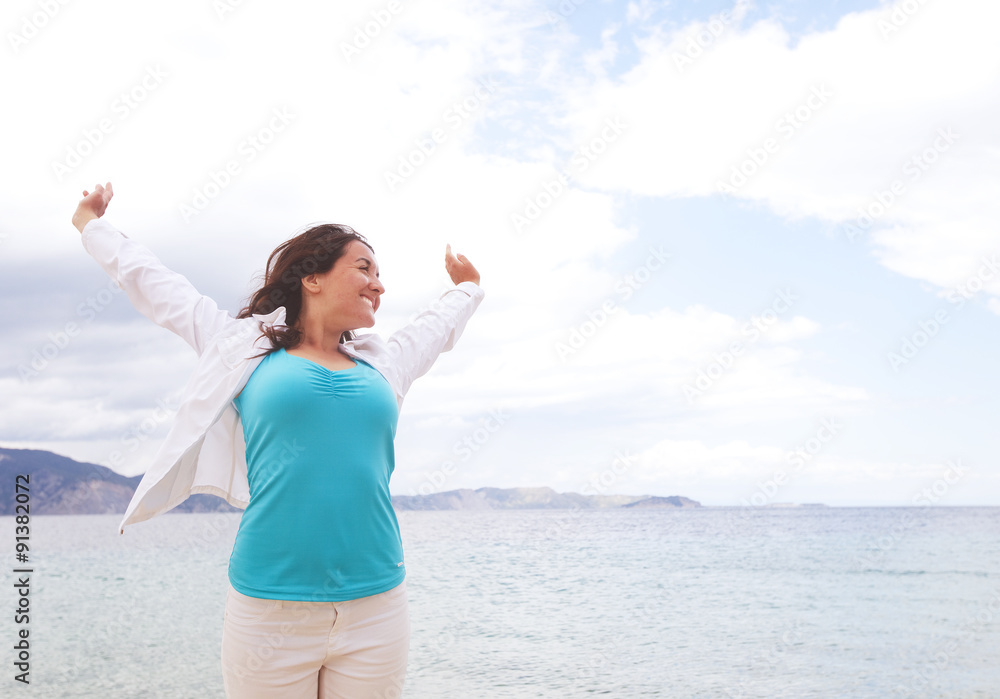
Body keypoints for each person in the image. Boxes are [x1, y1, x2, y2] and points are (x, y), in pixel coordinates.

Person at [71, 182, 484, 698]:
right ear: (312, 276)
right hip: (269, 609)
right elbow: (159, 287)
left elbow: (436, 327)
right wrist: (92, 225)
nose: (379, 285)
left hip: (378, 605)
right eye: (364, 269)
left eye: (380, 275)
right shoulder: (242, 351)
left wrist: (468, 288)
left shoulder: (385, 363)